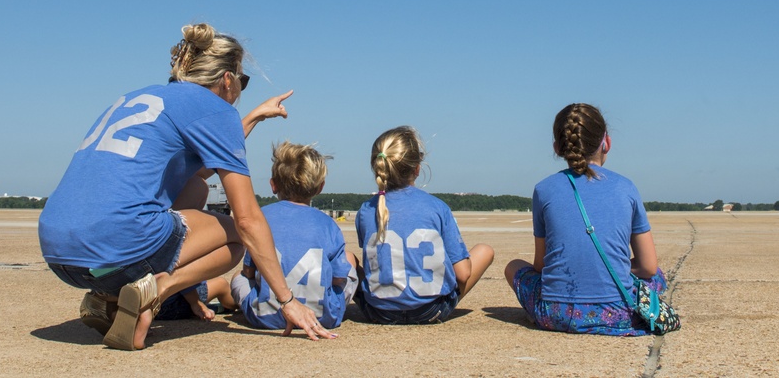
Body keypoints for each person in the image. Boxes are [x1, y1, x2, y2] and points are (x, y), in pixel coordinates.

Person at [39, 23, 336, 350]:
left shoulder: (139, 96)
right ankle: (157, 290)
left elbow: (199, 170)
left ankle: (104, 297)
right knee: (238, 237)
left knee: (196, 189)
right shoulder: (216, 110)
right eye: (243, 81)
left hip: (61, 252)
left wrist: (251, 118)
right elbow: (248, 220)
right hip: (117, 244)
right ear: (227, 79)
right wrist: (287, 300)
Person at [504, 103, 668, 335]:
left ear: (557, 148)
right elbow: (648, 267)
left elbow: (541, 265)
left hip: (555, 313)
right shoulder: (626, 187)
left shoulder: (543, 189)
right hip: (618, 313)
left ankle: (538, 314)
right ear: (606, 143)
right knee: (658, 276)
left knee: (513, 267)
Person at [354, 127, 494, 324]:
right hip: (431, 310)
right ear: (417, 168)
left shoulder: (366, 209)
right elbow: (463, 274)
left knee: (349, 259)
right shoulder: (437, 207)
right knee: (484, 250)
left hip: (379, 312)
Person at [230, 141, 358, 330]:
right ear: (320, 187)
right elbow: (339, 278)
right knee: (349, 260)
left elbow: (249, 272)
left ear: (273, 185)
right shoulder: (328, 224)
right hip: (322, 317)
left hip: (267, 316)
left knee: (237, 278)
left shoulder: (261, 218)